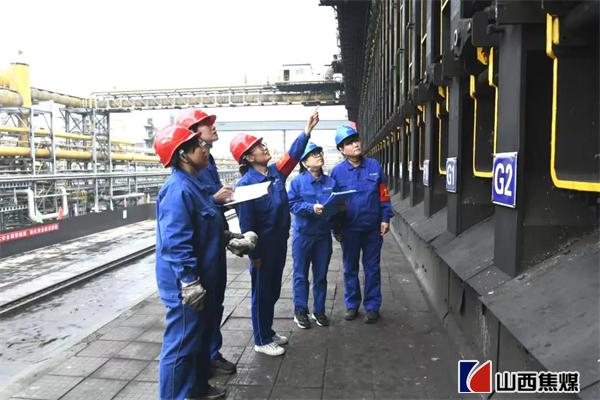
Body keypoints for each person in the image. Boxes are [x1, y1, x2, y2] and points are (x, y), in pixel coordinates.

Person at [230, 111, 319, 356]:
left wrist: (306, 132)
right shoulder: (245, 185)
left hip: (279, 243)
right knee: (262, 293)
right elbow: (247, 224)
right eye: (258, 147)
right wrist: (254, 255)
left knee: (273, 291)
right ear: (249, 157)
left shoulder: (274, 174)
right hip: (263, 248)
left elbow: (293, 155)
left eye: (262, 144)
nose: (264, 147)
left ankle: (267, 331)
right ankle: (261, 340)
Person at [153, 124, 227, 399]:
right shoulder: (178, 190)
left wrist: (229, 237)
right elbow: (176, 242)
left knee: (196, 340)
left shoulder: (195, 186)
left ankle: (195, 390)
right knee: (181, 345)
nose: (205, 148)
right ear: (183, 155)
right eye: (199, 146)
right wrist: (189, 281)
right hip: (185, 285)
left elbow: (202, 226)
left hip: (202, 277)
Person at [175, 108, 237, 375]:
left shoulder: (207, 161)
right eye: (205, 124)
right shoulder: (184, 179)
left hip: (214, 242)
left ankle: (210, 356)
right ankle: (200, 367)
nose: (213, 127)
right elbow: (193, 210)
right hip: (202, 250)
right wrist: (214, 199)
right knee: (198, 314)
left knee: (215, 305)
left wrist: (227, 234)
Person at [330, 124, 393, 324]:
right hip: (349, 229)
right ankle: (352, 305)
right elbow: (333, 204)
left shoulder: (374, 166)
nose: (356, 144)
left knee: (372, 268)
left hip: (372, 228)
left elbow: (384, 194)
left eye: (356, 140)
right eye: (349, 143)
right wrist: (336, 229)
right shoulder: (337, 173)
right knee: (350, 268)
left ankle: (372, 306)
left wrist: (385, 218)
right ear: (342, 150)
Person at [287, 143, 338, 329]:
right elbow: (291, 204)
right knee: (300, 275)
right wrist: (311, 208)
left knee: (321, 275)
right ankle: (300, 311)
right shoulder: (297, 182)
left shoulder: (331, 183)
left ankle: (319, 311)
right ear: (305, 162)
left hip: (323, 236)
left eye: (319, 153)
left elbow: (335, 206)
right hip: (303, 236)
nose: (319, 156)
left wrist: (338, 209)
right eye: (313, 154)